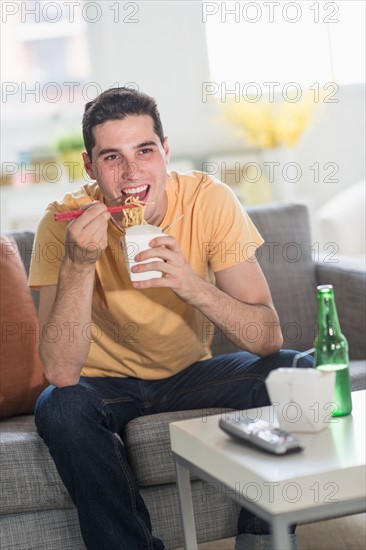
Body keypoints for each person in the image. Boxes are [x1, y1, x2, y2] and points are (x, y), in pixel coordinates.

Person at [30, 87, 312, 550]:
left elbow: (266, 338)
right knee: (58, 405)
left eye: (144, 150)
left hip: (188, 376)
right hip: (103, 387)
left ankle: (261, 542)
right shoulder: (62, 222)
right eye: (111, 157)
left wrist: (190, 283)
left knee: (292, 372)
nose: (131, 173)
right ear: (89, 166)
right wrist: (79, 264)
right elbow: (60, 373)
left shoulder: (209, 200)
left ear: (165, 151)